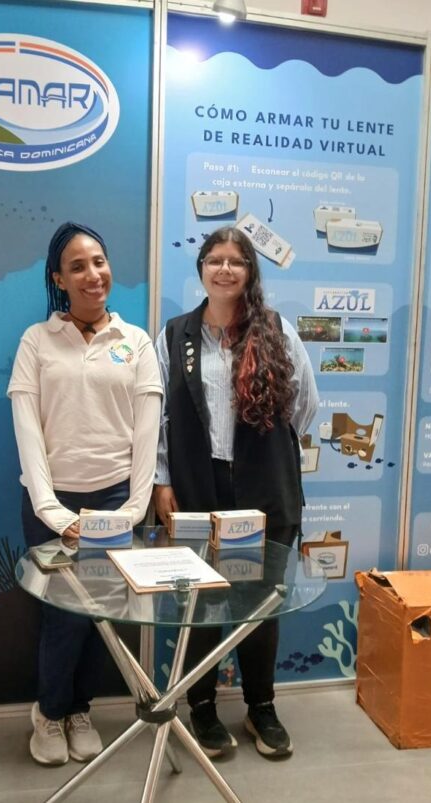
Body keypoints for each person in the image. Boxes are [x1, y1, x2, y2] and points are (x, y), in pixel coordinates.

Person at [153, 226, 318, 759]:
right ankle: (201, 707)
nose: (225, 269)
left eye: (237, 261)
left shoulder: (276, 330)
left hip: (263, 488)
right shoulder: (174, 336)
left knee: (260, 603)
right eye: (215, 260)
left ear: (250, 271)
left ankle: (260, 707)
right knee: (201, 602)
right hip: (198, 487)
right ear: (201, 268)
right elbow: (158, 417)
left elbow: (304, 406)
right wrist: (162, 479)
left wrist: (262, 450)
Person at [8, 222, 162, 766]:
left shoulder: (135, 342)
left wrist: (133, 510)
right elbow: (27, 431)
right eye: (77, 266)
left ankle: (80, 710)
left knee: (102, 614)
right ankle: (50, 713)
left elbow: (147, 434)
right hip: (51, 503)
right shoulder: (36, 341)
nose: (93, 274)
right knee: (62, 615)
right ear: (59, 279)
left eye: (99, 261)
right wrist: (53, 512)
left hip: (117, 500)